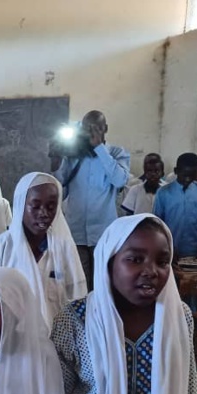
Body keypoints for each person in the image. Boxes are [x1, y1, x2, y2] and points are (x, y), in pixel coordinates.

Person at [52, 215, 197, 394]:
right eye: (135, 259)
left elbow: (188, 392)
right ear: (109, 263)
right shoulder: (76, 319)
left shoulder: (178, 317)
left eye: (162, 261)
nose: (151, 271)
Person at [0, 172, 86, 328]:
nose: (44, 214)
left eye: (51, 207)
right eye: (35, 206)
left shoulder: (64, 248)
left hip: (56, 343)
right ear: (20, 205)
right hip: (13, 340)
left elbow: (77, 299)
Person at [52, 111, 130, 288]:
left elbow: (119, 180)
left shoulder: (118, 153)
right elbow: (58, 188)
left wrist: (99, 148)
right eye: (87, 129)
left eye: (97, 128)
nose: (92, 133)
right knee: (79, 285)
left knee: (103, 284)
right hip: (75, 232)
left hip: (104, 233)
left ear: (106, 129)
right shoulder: (73, 156)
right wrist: (56, 160)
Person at [152, 153, 197, 260]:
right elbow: (158, 223)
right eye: (185, 175)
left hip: (194, 249)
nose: (188, 179)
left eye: (192, 175)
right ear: (176, 171)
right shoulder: (163, 192)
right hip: (170, 248)